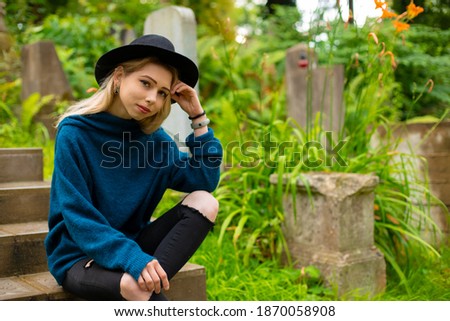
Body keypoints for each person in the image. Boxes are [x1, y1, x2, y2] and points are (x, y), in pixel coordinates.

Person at [44, 34, 223, 301]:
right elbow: (77, 214)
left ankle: (144, 280)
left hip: (133, 244)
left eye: (162, 93)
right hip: (79, 255)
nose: (152, 99)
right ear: (118, 76)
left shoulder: (157, 143)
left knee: (205, 202)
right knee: (135, 287)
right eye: (145, 83)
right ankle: (142, 282)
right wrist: (132, 258)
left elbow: (203, 181)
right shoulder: (75, 132)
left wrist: (198, 117)